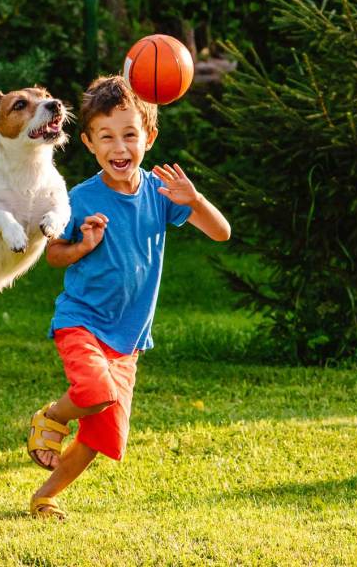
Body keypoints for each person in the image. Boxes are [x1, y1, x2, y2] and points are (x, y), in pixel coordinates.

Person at [26, 75, 231, 519]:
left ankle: (46, 495)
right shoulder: (79, 197)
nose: (120, 148)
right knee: (94, 391)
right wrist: (82, 246)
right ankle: (52, 418)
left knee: (103, 436)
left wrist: (194, 199)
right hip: (82, 320)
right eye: (107, 137)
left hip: (127, 339)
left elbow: (221, 232)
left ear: (149, 138)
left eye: (130, 135)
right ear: (88, 143)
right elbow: (54, 256)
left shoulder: (161, 193)